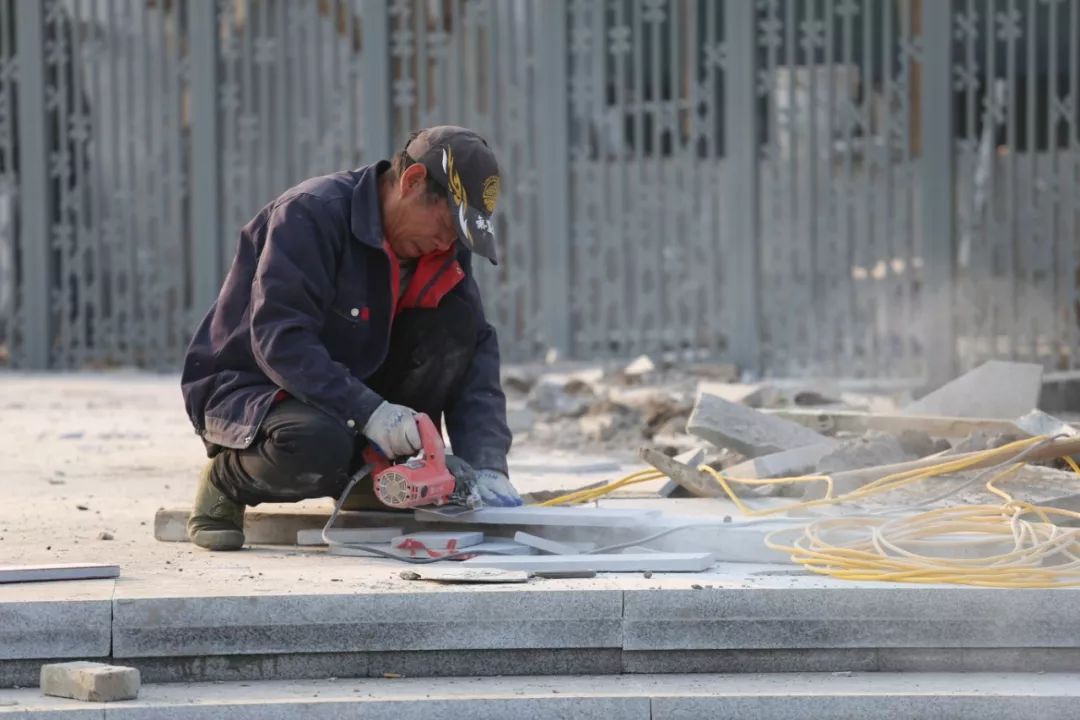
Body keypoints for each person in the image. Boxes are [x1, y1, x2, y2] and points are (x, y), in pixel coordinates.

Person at [180, 126, 522, 551]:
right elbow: (279, 340)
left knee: (457, 325)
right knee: (317, 444)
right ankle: (226, 481)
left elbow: (474, 352)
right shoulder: (311, 214)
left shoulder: (442, 248)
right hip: (258, 392)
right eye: (448, 224)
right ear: (412, 182)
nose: (449, 241)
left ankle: (368, 476)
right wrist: (371, 412)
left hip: (356, 394)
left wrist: (488, 466)